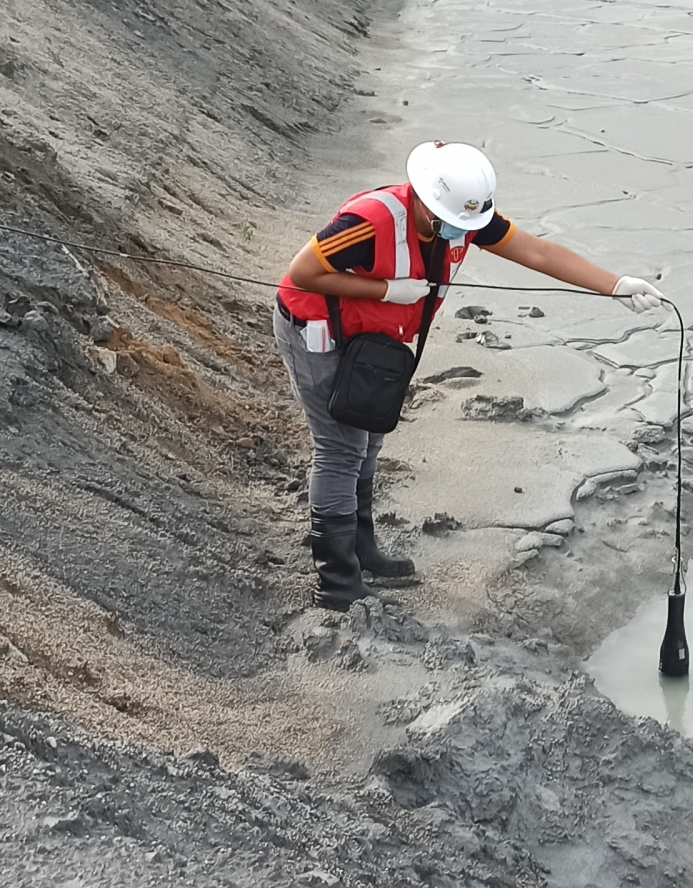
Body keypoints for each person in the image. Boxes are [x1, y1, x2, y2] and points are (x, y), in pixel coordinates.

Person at [276, 141, 666, 610]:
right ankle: (337, 584)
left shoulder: (467, 217)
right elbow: (301, 273)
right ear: (424, 200)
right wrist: (386, 290)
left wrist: (615, 285)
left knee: (369, 436)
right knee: (341, 448)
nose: (461, 233)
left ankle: (361, 550)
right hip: (316, 330)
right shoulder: (370, 221)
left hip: (373, 340)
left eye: (467, 226)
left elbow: (538, 253)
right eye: (450, 223)